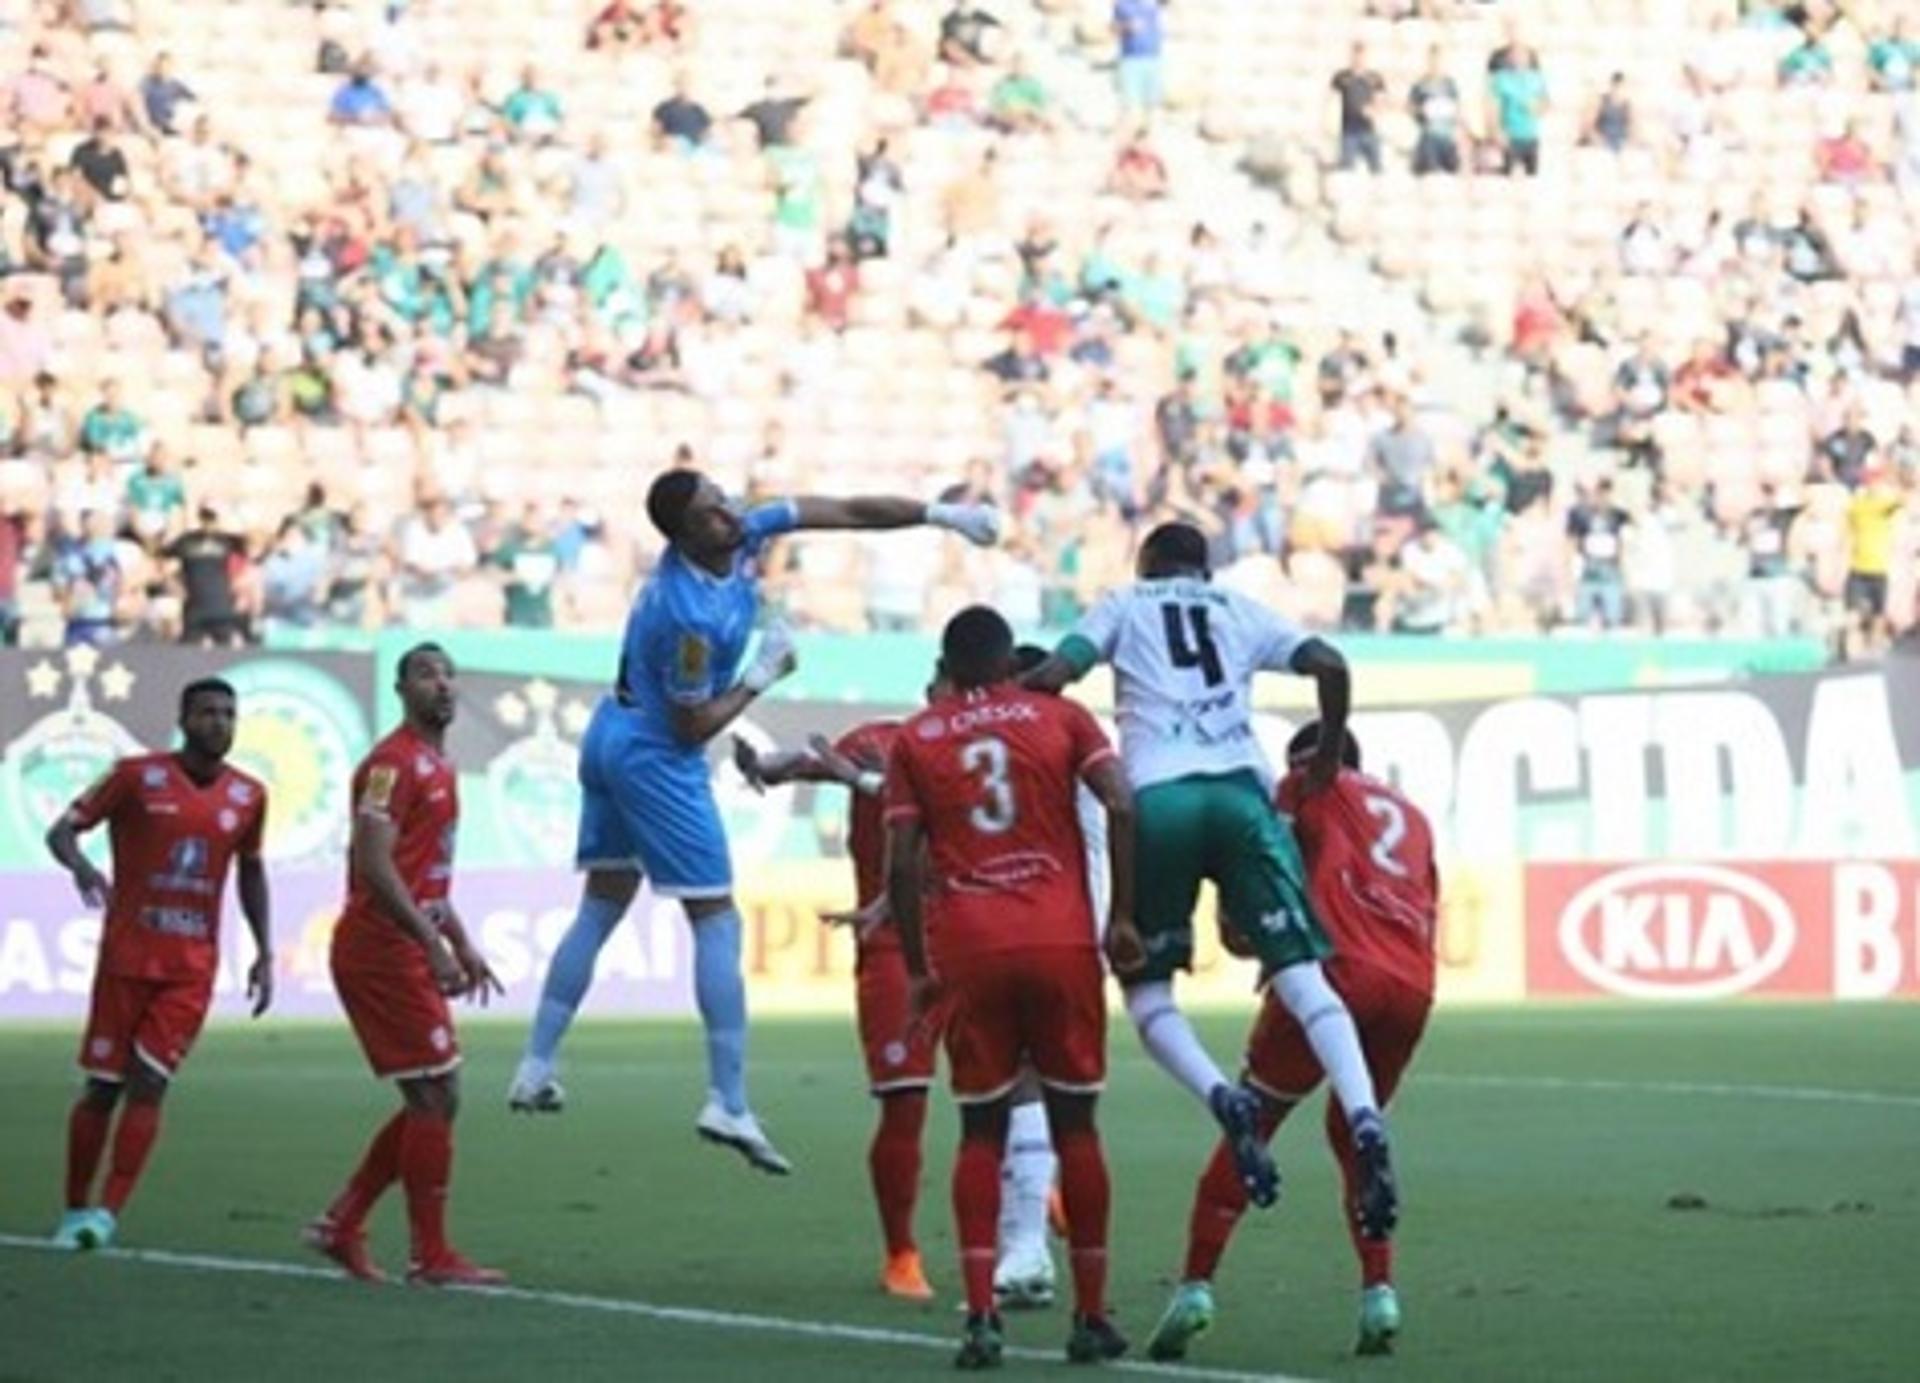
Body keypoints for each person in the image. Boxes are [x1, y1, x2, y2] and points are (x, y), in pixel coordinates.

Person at [507, 470, 1001, 1177]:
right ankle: (727, 1098)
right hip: (652, 749)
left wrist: (941, 514)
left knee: (604, 902)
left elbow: (850, 507)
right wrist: (763, 674)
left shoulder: (744, 532)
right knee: (716, 919)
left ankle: (535, 1064)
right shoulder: (687, 615)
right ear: (682, 535)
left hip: (610, 731)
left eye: (724, 499)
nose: (730, 515)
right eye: (712, 514)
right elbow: (691, 725)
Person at [1025, 521, 1396, 1233]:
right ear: (1204, 567)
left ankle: (1225, 1098)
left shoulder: (1124, 601)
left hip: (1159, 799)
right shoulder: (1238, 608)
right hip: (1242, 797)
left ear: (1147, 562)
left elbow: (1058, 672)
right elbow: (1330, 662)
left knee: (1147, 989)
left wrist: (1005, 696)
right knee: (1303, 978)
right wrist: (1322, 759)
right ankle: (1366, 1117)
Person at [884, 606, 1143, 1368]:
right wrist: (1123, 916)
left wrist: (920, 964)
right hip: (1062, 935)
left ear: (949, 663)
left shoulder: (918, 734)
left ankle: (982, 1316)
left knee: (979, 1129)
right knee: (1078, 1127)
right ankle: (1090, 1315)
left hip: (970, 943)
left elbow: (901, 860)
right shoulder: (1060, 714)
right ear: (1009, 662)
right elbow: (1124, 801)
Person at [1148, 723, 1437, 1363]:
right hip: (1412, 987)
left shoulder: (1305, 785)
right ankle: (1379, 1295)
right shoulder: (1414, 817)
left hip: (1333, 977)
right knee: (1353, 1130)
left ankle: (1195, 1287)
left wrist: (1241, 928)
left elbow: (1260, 867)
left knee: (1251, 1119)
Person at [45, 678, 272, 1250]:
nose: (220, 722)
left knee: (149, 1084)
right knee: (102, 1090)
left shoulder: (249, 796)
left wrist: (265, 951)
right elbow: (62, 830)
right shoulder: (135, 776)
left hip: (190, 968)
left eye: (228, 713)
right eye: (208, 713)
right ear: (183, 718)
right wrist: (80, 867)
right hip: (126, 959)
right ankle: (74, 1210)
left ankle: (107, 1216)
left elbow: (250, 870)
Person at [306, 644, 505, 1286]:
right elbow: (374, 864)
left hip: (404, 943)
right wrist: (430, 942)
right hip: (378, 948)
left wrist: (461, 939)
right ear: (400, 689)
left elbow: (427, 875)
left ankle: (344, 1224)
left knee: (434, 1095)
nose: (442, 684)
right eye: (426, 674)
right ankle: (429, 1255)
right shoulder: (391, 765)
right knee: (436, 1093)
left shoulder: (440, 767)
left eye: (449, 672)